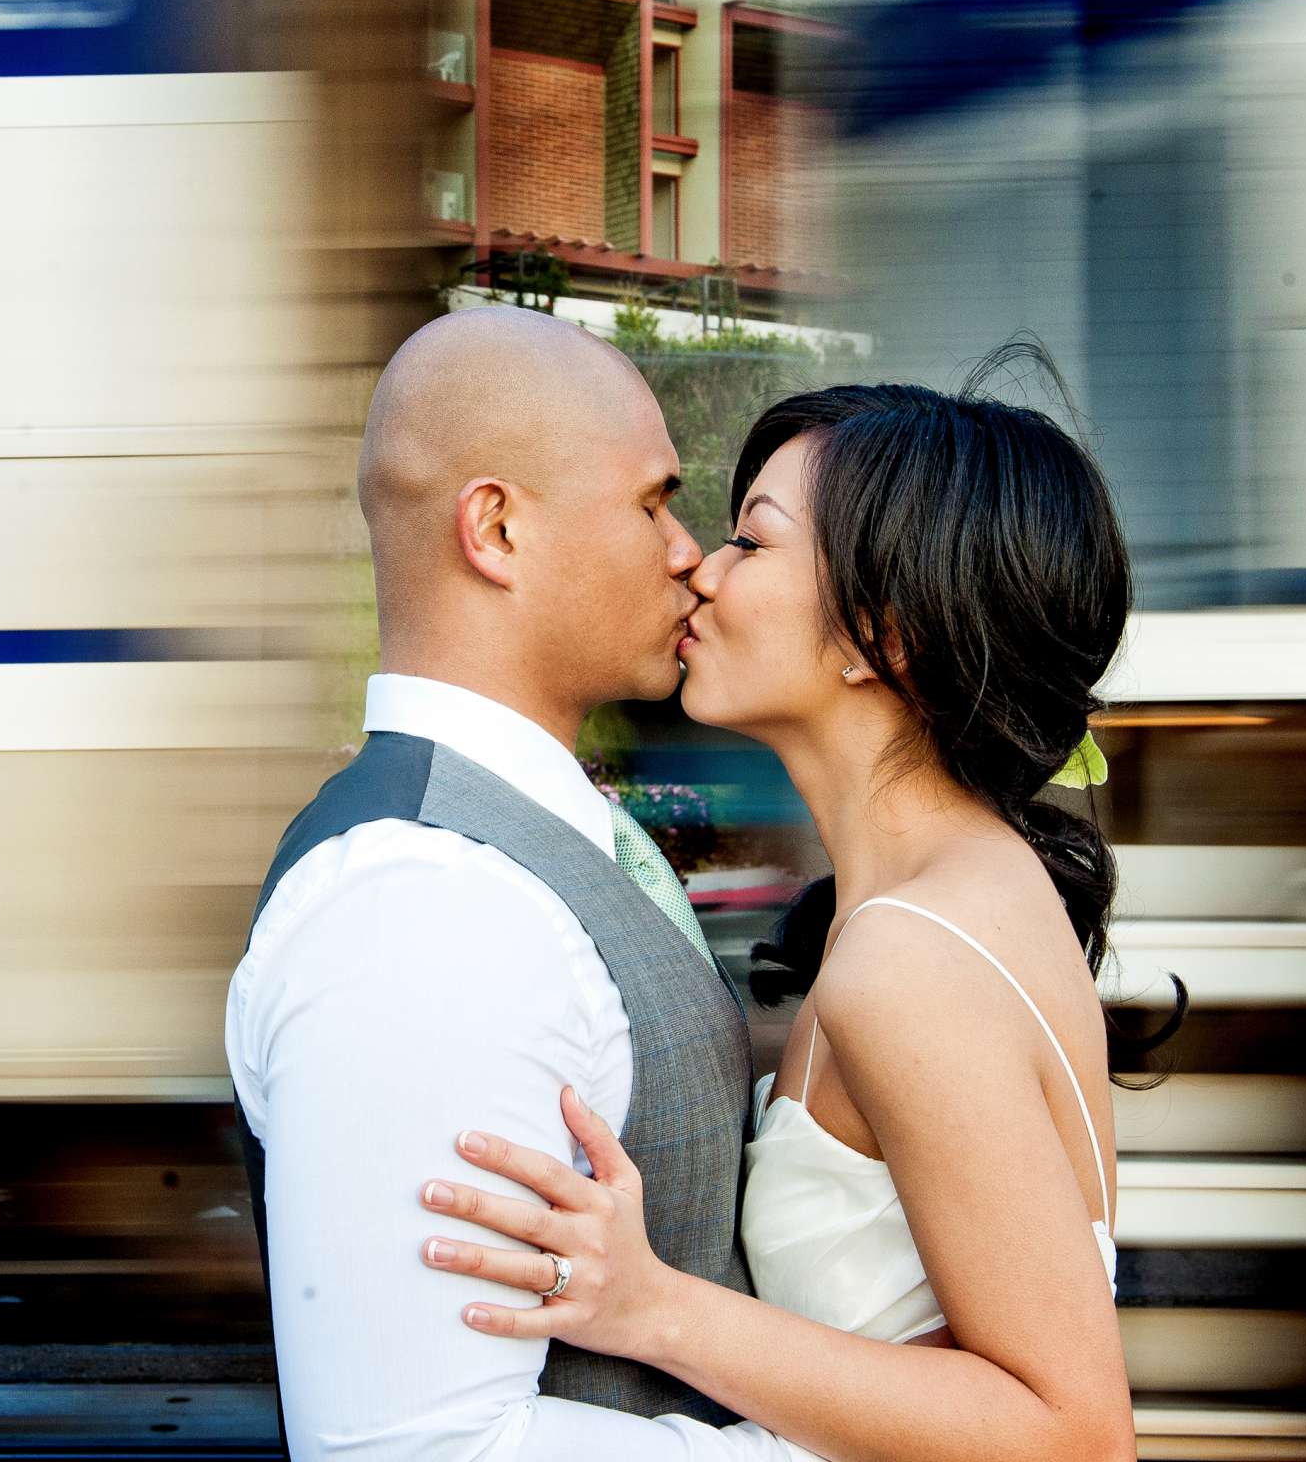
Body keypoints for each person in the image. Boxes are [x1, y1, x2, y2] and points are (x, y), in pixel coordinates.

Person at [414, 347, 1183, 1462]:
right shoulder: (957, 887)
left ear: (886, 634)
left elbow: (1073, 1434)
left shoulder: (910, 961)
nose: (701, 571)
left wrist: (652, 1306)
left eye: (753, 538)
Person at [225, 304, 800, 1457]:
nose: (687, 548)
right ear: (495, 529)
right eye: (651, 502)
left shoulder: (515, 847)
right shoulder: (418, 912)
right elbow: (415, 1449)